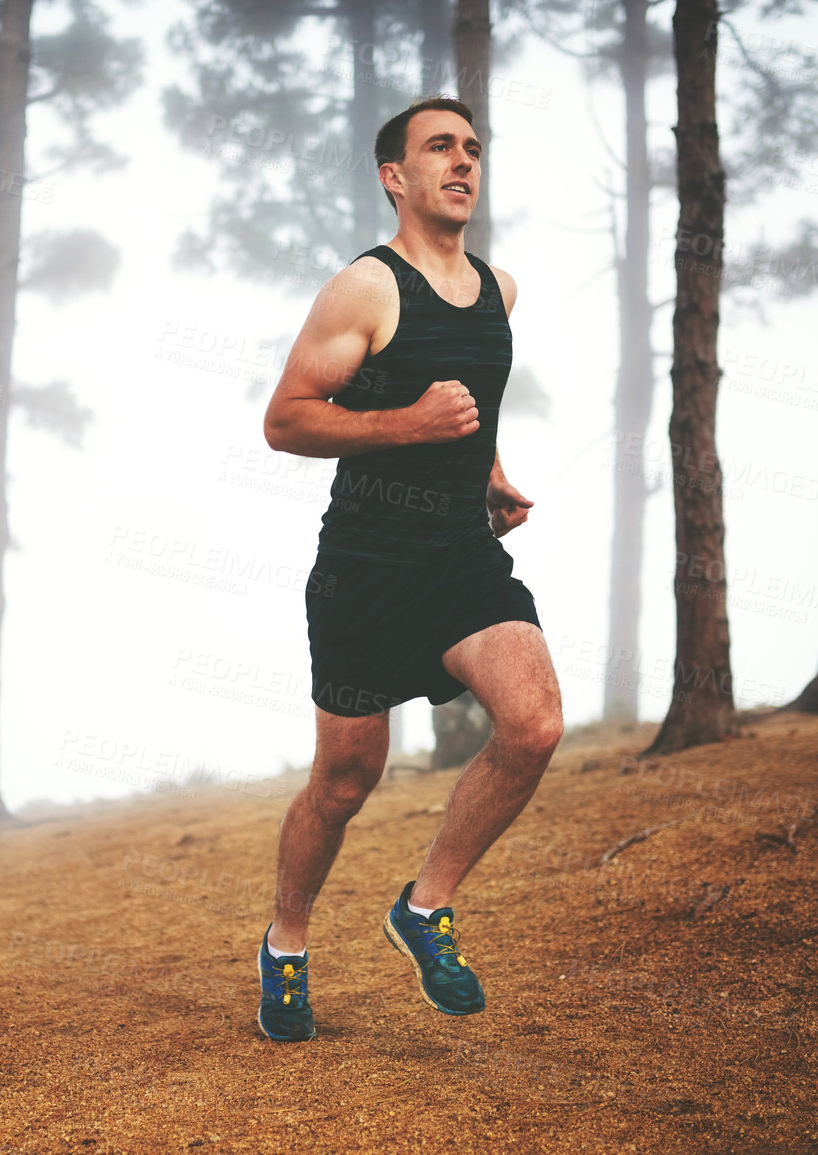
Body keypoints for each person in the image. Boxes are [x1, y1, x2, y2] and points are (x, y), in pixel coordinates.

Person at [255, 96, 564, 1042]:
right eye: (439, 148)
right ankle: (285, 942)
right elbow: (285, 420)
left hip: (460, 557)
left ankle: (423, 907)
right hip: (364, 567)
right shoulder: (365, 289)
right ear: (395, 176)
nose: (462, 162)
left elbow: (475, 408)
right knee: (346, 782)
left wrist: (492, 478)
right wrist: (406, 424)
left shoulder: (501, 291)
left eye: (471, 148)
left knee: (535, 722)